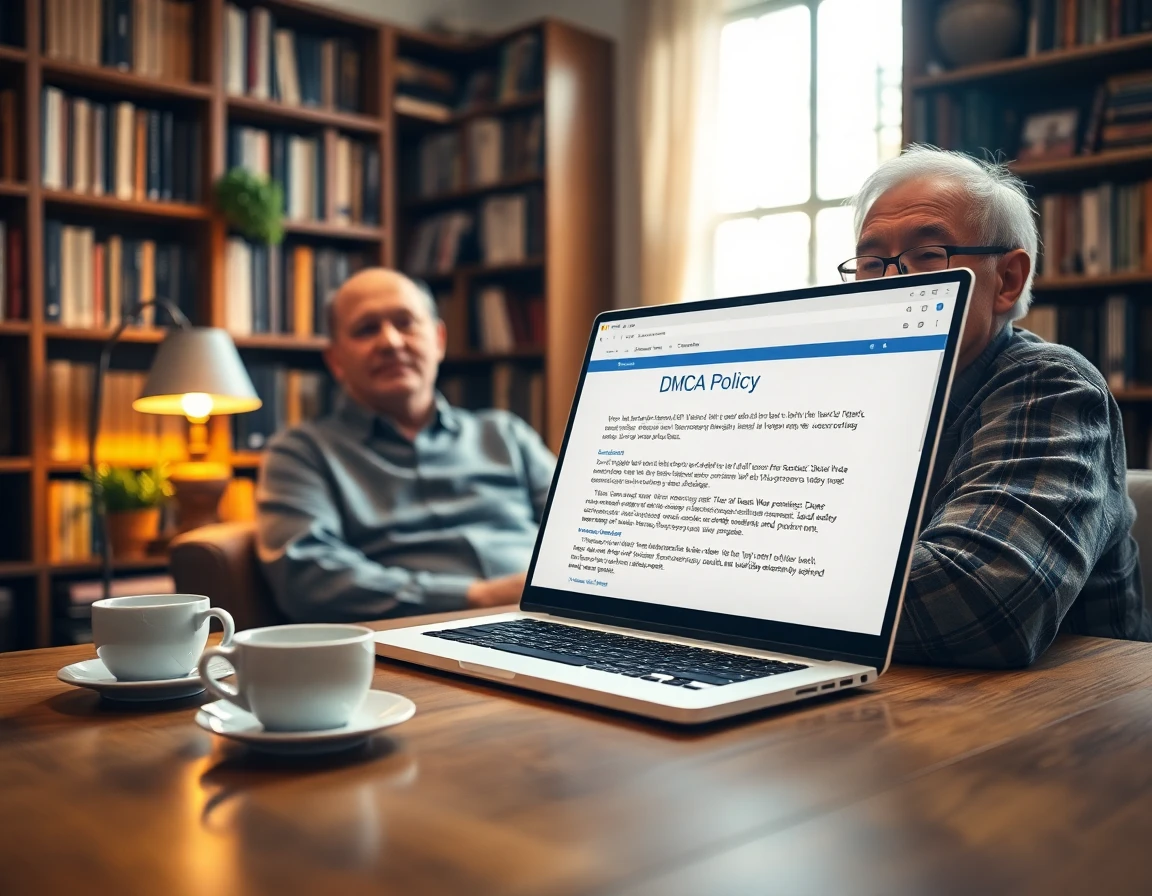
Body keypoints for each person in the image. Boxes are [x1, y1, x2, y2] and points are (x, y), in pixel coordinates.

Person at [843, 145, 1152, 667]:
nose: (892, 284)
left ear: (1006, 280)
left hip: (1056, 724)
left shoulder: (1052, 385)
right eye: (872, 264)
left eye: (928, 256)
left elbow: (975, 598)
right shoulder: (866, 398)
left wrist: (730, 581)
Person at [256, 268, 556, 622]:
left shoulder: (505, 434)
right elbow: (307, 574)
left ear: (439, 339)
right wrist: (478, 596)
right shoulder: (301, 452)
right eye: (366, 329)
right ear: (335, 359)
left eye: (405, 322)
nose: (391, 342)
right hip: (414, 633)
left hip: (546, 619)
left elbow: (579, 529)